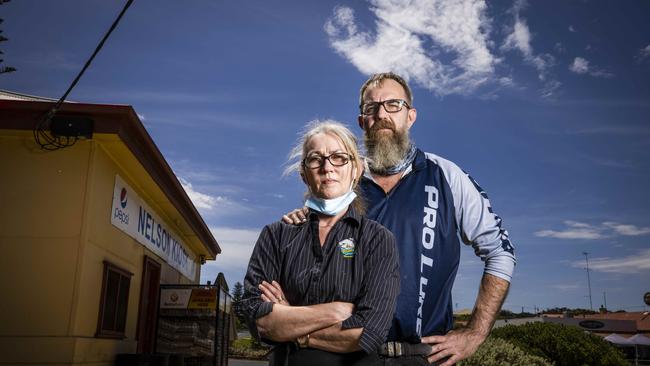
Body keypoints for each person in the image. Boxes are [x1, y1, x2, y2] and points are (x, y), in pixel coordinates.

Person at [283, 73, 517, 365]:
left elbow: (500, 251)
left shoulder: (446, 175)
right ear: (361, 121)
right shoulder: (341, 180)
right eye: (371, 108)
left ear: (411, 116)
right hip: (343, 355)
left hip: (422, 356)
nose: (382, 115)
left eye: (393, 105)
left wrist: (475, 333)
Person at [241, 120, 401, 366]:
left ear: (356, 169)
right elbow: (258, 319)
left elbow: (369, 332)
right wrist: (336, 311)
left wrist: (293, 322)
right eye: (316, 159)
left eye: (339, 157)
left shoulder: (377, 240)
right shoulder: (276, 235)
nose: (328, 168)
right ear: (304, 173)